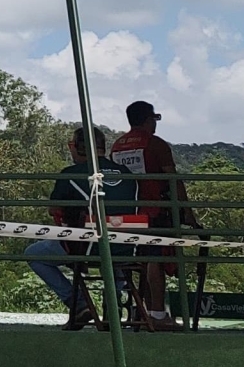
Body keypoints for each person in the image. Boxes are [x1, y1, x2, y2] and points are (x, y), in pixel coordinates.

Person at [25, 124, 138, 331]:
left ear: (77, 147)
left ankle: (79, 305)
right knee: (115, 256)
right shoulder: (127, 174)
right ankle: (111, 309)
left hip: (87, 246)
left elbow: (54, 209)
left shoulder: (71, 174)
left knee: (33, 254)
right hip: (128, 246)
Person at [110, 100, 196, 331]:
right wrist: (186, 212)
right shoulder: (156, 144)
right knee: (155, 259)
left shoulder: (117, 146)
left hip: (126, 215)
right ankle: (157, 314)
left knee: (138, 261)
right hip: (154, 211)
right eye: (154, 119)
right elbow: (173, 180)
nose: (155, 124)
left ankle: (140, 311)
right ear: (148, 119)